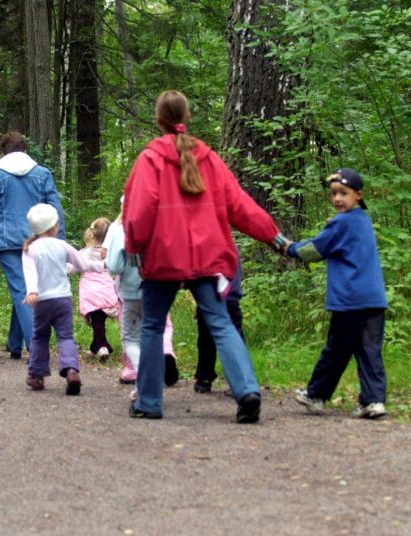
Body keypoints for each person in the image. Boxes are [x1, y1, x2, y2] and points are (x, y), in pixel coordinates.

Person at [122, 90, 286, 423]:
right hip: (207, 256)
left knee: (152, 326)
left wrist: (135, 252)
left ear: (159, 119)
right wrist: (275, 237)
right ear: (186, 117)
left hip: (163, 258)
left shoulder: (150, 159)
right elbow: (239, 204)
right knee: (221, 323)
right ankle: (247, 391)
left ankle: (149, 403)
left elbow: (137, 214)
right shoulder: (208, 158)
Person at [286, 168, 388, 419]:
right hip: (373, 300)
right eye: (334, 194)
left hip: (350, 301)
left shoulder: (341, 223)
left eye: (344, 193)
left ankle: (316, 395)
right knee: (368, 350)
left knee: (336, 350)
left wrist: (286, 247)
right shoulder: (363, 220)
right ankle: (373, 401)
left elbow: (313, 250)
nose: (338, 199)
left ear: (358, 195)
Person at [0, 131, 66, 360]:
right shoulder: (42, 174)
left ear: (2, 152)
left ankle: (36, 348)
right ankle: (15, 343)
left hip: (7, 243)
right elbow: (55, 211)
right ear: (25, 150)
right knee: (24, 289)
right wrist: (59, 241)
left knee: (22, 290)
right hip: (38, 240)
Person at [22, 204, 104, 395]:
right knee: (65, 336)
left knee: (40, 336)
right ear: (54, 227)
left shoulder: (30, 249)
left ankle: (36, 375)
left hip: (42, 300)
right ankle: (71, 371)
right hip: (63, 299)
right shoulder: (62, 245)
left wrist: (32, 291)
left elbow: (30, 272)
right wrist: (103, 266)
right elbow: (82, 264)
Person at [106, 203, 178, 402]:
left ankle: (142, 377)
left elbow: (113, 265)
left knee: (130, 337)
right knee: (156, 330)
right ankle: (161, 360)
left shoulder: (121, 230)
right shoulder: (160, 226)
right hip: (157, 288)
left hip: (130, 292)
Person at [194, 251, 244, 394]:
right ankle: (206, 376)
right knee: (231, 339)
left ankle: (205, 377)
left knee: (206, 340)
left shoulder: (208, 247)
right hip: (227, 300)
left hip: (213, 300)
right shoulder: (230, 248)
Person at [78, 217, 119, 360]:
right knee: (99, 320)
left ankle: (102, 347)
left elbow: (72, 266)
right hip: (106, 289)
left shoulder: (84, 253)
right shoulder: (110, 254)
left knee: (97, 320)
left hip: (90, 291)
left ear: (92, 234)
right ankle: (95, 346)